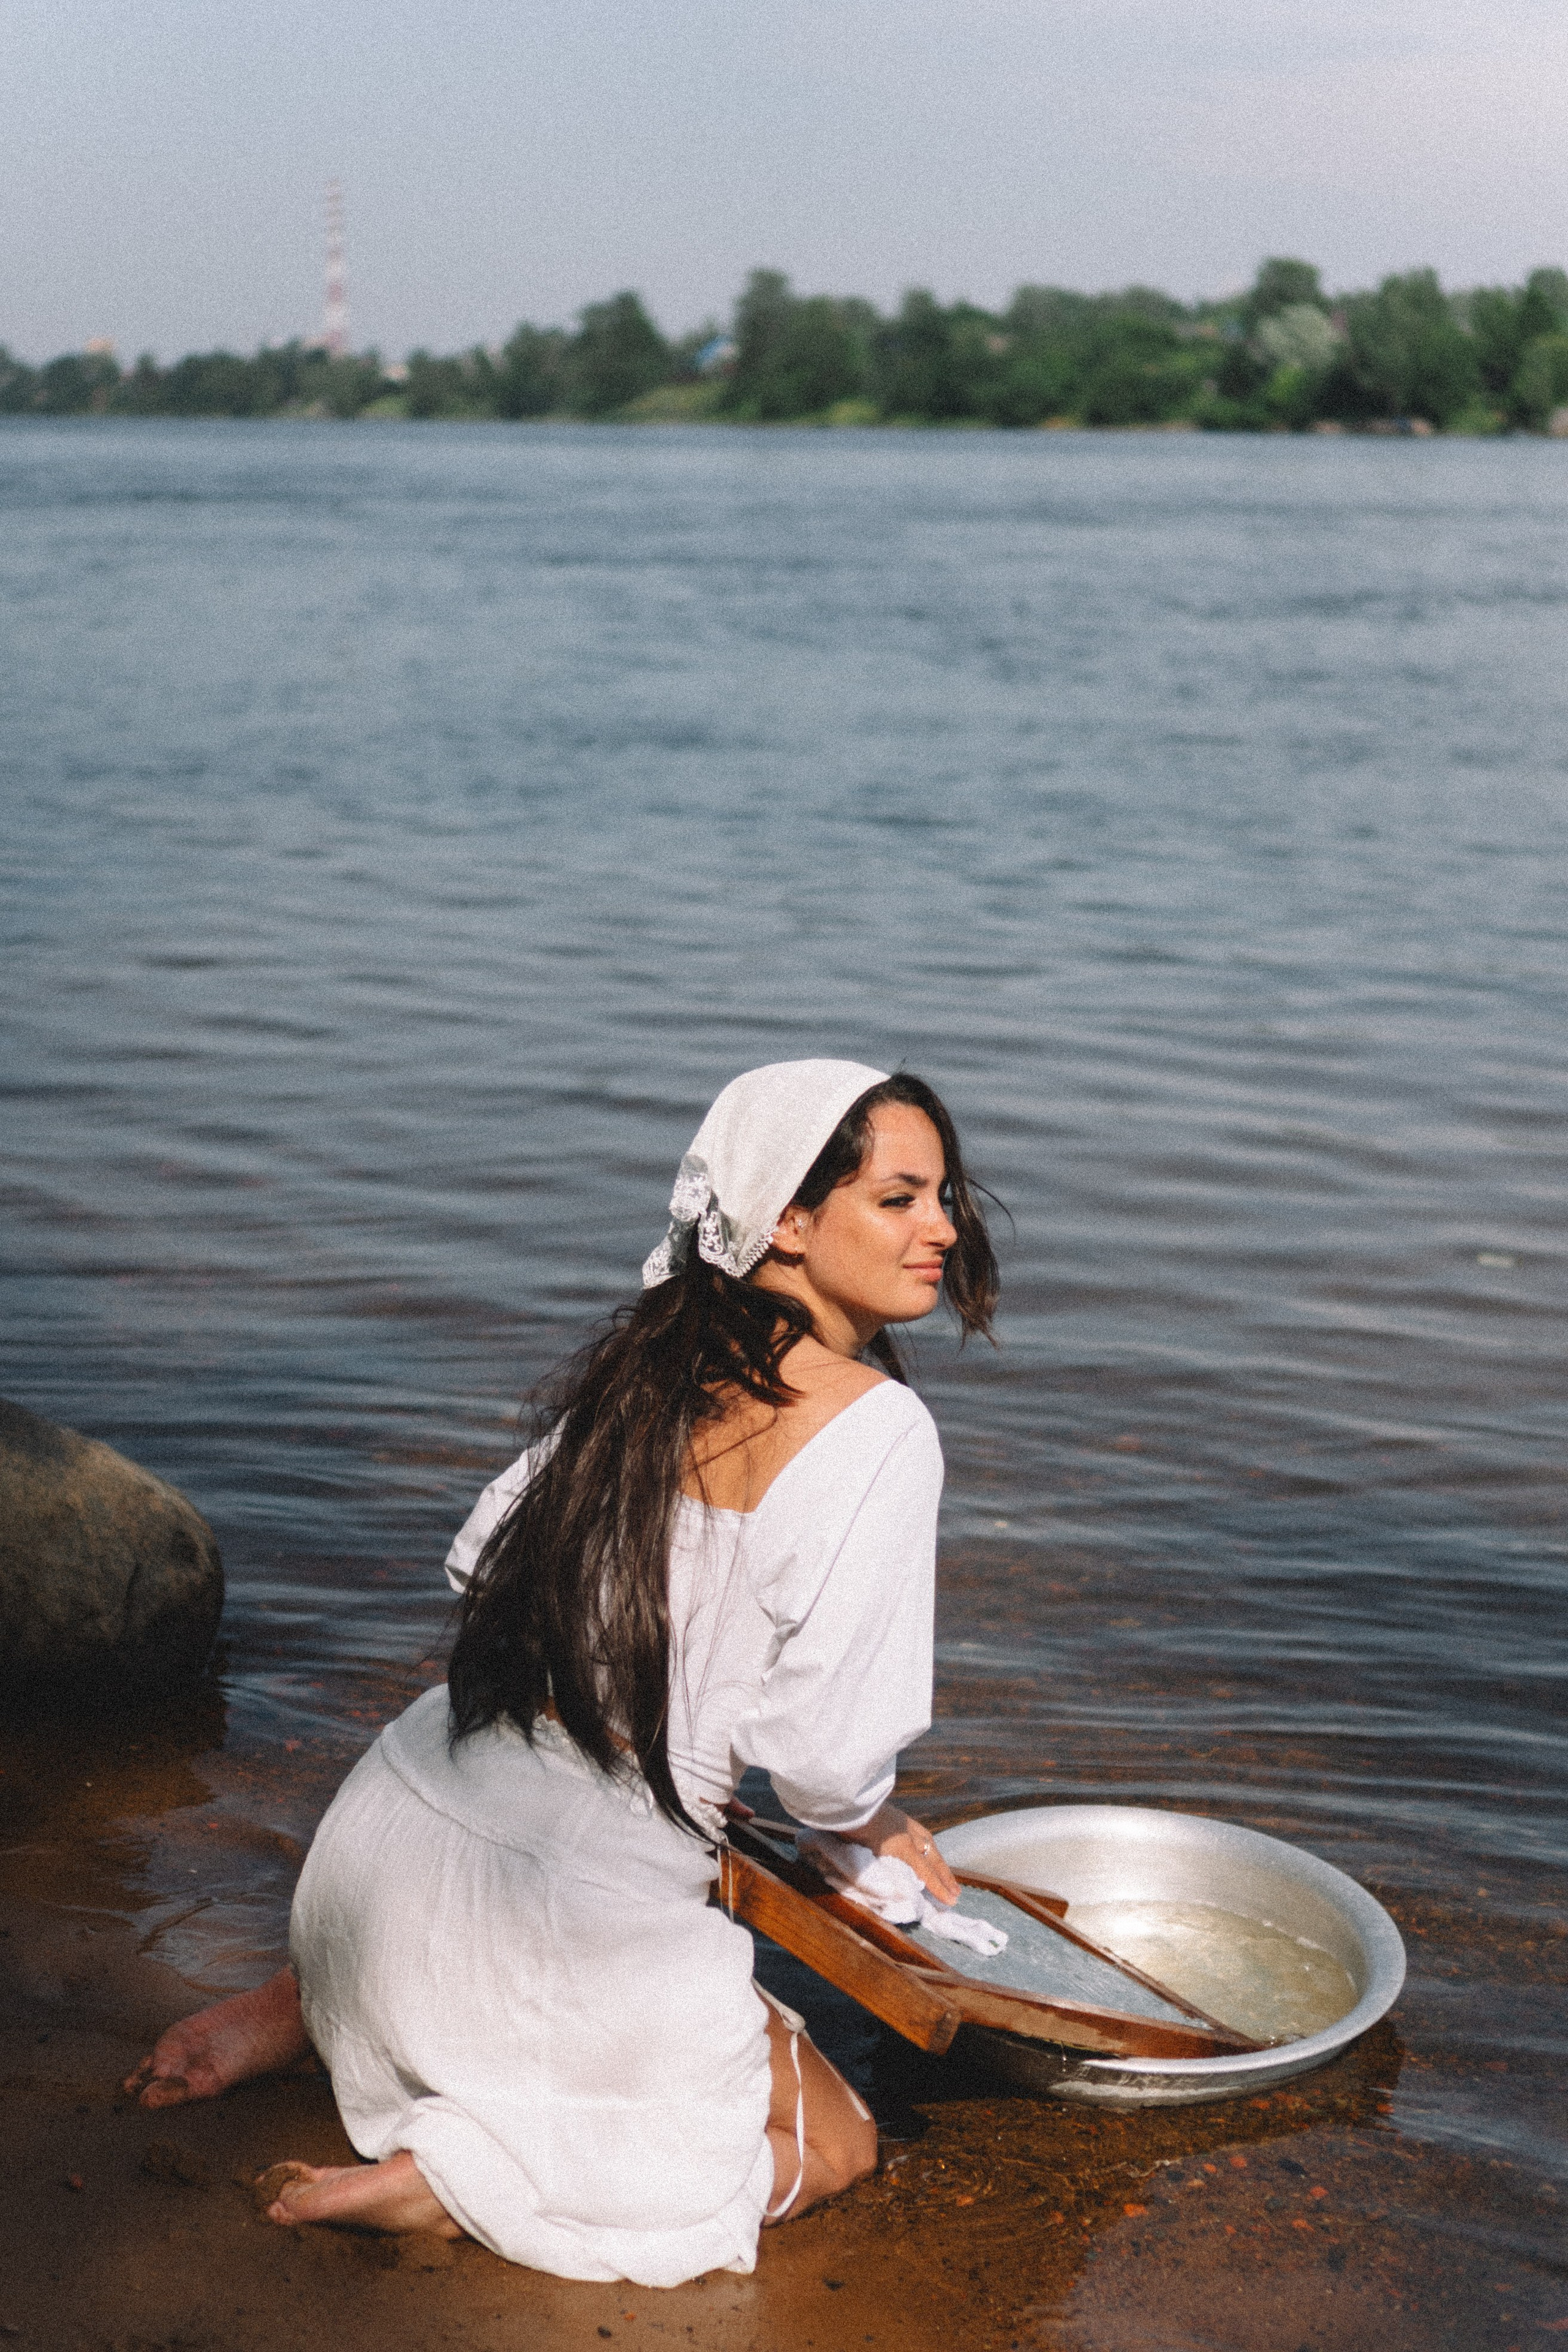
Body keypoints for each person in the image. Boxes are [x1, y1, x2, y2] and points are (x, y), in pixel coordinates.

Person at [125, 1060, 998, 2286]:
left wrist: (675, 1737)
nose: (943, 1229)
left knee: (561, 1923)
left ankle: (303, 2008)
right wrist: (869, 1821)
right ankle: (452, 2181)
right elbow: (820, 1761)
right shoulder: (879, 1432)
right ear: (791, 1224)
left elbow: (482, 1562)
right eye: (899, 1198)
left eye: (945, 1196)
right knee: (830, 2144)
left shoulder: (653, 1358)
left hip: (390, 1835)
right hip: (558, 1907)